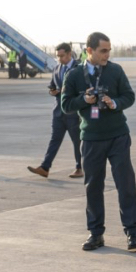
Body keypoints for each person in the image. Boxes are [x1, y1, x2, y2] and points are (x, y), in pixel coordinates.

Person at [60, 32, 136, 252]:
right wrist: (84, 100)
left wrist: (114, 103)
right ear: (89, 51)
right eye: (103, 51)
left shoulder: (115, 71)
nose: (107, 54)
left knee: (126, 185)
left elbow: (129, 96)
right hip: (92, 138)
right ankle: (96, 234)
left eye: (109, 50)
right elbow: (65, 105)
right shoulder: (75, 75)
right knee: (93, 187)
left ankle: (133, 233)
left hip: (118, 136)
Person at [28, 43, 83, 180]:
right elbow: (53, 85)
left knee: (77, 142)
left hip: (73, 112)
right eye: (58, 56)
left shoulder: (80, 68)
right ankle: (45, 167)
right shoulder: (57, 68)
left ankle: (79, 167)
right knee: (55, 140)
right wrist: (52, 91)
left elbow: (82, 89)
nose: (59, 59)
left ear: (70, 54)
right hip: (58, 111)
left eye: (62, 56)